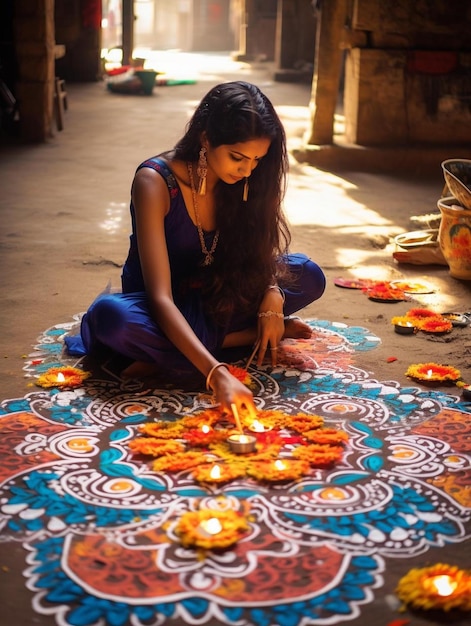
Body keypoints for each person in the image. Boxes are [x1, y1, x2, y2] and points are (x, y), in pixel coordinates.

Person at [67, 81, 325, 419]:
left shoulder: (247, 182)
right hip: (161, 305)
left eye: (256, 160)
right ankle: (241, 337)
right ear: (205, 137)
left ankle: (173, 350)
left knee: (307, 274)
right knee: (111, 319)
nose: (247, 170)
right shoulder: (154, 182)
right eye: (237, 157)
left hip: (220, 292)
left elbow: (255, 259)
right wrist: (216, 372)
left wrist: (272, 295)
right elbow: (160, 298)